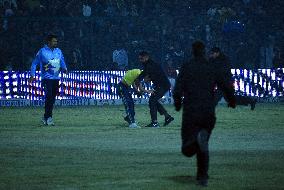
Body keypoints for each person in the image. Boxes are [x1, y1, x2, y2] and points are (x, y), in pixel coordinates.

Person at [173, 41, 236, 187]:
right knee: (204, 143)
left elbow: (178, 88)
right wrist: (232, 100)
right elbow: (225, 85)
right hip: (208, 110)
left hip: (191, 111)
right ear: (204, 51)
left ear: (192, 51)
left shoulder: (187, 67)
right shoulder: (211, 67)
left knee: (187, 149)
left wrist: (177, 104)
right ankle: (202, 176)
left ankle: (194, 143)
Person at [29, 34, 68, 126]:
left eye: (56, 41)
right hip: (46, 78)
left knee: (52, 98)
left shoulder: (58, 51)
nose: (56, 43)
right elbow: (34, 63)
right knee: (49, 96)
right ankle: (49, 117)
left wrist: (65, 68)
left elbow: (61, 60)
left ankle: (45, 117)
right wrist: (32, 74)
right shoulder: (42, 51)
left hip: (56, 78)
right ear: (49, 42)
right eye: (54, 41)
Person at [138, 51, 174, 128]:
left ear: (146, 57)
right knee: (153, 101)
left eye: (141, 58)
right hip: (162, 85)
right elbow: (148, 74)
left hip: (162, 85)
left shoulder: (150, 65)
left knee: (152, 101)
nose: (140, 60)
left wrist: (138, 78)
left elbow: (146, 74)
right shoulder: (150, 64)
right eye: (139, 59)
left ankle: (155, 122)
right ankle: (167, 117)